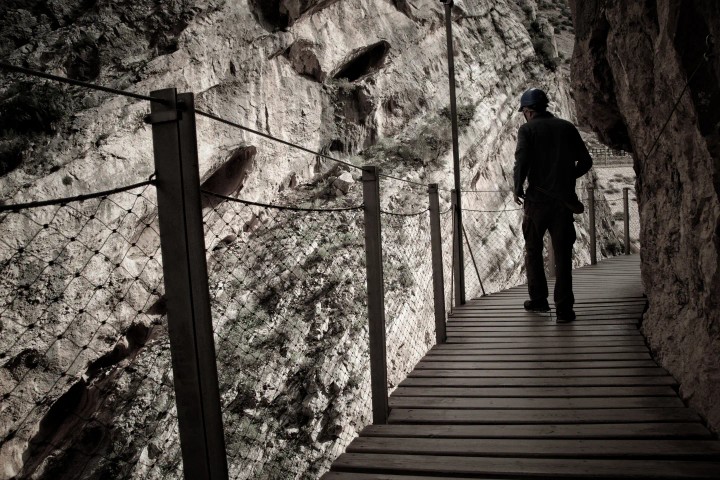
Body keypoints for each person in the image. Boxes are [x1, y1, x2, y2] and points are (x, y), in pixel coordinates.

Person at [513, 87, 593, 323]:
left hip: (536, 202)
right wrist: (568, 176)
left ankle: (538, 300)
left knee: (533, 251)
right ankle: (564, 309)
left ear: (528, 111)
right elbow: (586, 161)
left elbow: (521, 162)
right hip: (563, 203)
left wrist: (517, 187)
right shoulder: (566, 127)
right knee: (563, 255)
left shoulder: (527, 130)